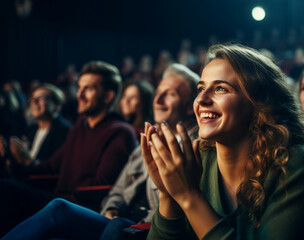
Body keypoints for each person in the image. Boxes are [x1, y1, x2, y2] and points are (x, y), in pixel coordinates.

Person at [141, 44, 304, 240]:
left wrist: (188, 196)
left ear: (259, 104)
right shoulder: (196, 159)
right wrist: (168, 194)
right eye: (201, 88)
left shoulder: (294, 165)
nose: (201, 99)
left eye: (220, 88)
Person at [1, 63, 200, 240]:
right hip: (114, 217)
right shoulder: (138, 141)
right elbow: (117, 191)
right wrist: (112, 208)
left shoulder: (193, 149)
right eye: (158, 93)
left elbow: (172, 209)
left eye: (171, 94)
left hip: (139, 225)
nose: (158, 100)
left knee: (58, 207)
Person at [0, 61, 138, 237]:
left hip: (81, 208)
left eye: (88, 89)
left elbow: (103, 188)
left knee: (7, 189)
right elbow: (50, 167)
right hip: (58, 200)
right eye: (79, 87)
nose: (79, 94)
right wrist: (16, 161)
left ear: (108, 96)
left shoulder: (120, 132)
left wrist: (59, 197)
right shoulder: (79, 127)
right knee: (6, 185)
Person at [0, 84, 72, 178]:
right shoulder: (31, 130)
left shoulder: (65, 131)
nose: (34, 102)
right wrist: (6, 156)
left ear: (57, 105)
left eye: (41, 98)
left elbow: (55, 167)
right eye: (32, 98)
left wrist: (27, 160)